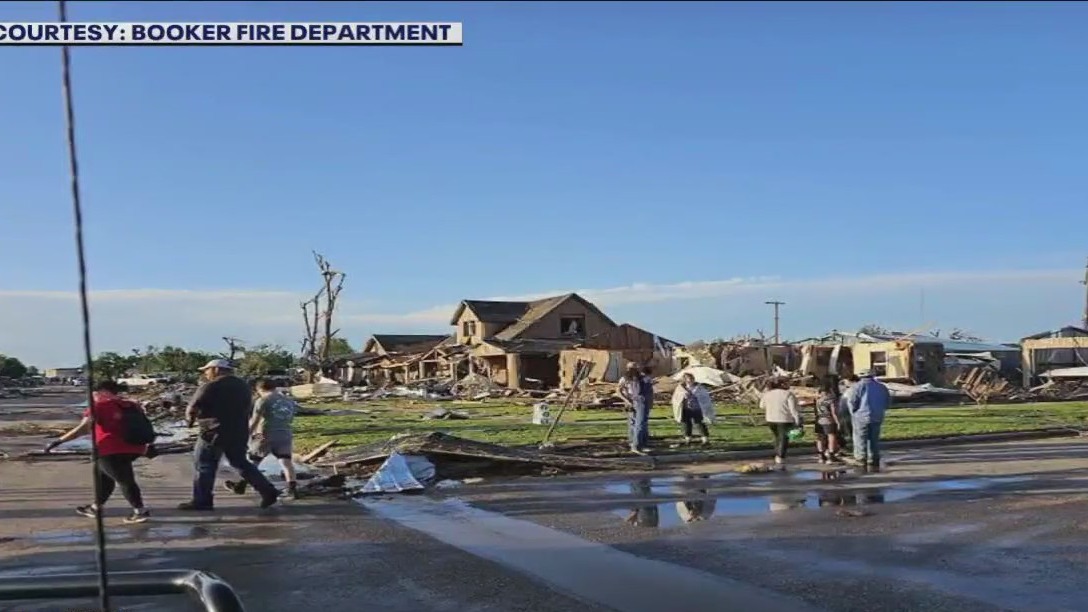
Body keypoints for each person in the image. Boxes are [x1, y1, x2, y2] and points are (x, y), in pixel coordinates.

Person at [45, 380, 151, 524]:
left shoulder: (99, 406)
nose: (93, 397)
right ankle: (95, 508)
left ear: (102, 392)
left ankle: (140, 511)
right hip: (134, 448)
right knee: (104, 478)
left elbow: (84, 428)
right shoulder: (132, 405)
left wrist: (59, 441)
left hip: (108, 449)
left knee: (124, 480)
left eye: (94, 394)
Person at [181, 359, 280, 511]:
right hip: (238, 431)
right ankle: (268, 490)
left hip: (213, 431)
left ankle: (202, 501)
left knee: (205, 465)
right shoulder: (243, 386)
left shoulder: (210, 385)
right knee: (240, 462)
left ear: (216, 369)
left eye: (207, 370)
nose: (205, 373)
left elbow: (192, 407)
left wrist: (189, 422)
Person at [225, 378, 300, 499]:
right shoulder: (288, 401)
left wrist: (247, 434)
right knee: (286, 462)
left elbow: (255, 420)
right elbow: (290, 418)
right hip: (285, 434)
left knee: (253, 461)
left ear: (259, 389)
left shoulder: (263, 400)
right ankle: (292, 489)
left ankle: (241, 485)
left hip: (266, 434)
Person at [846, 369, 891, 472]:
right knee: (874, 438)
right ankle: (873, 457)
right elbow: (888, 402)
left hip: (861, 416)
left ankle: (861, 458)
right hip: (877, 416)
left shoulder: (857, 387)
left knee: (860, 438)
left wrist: (853, 412)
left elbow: (852, 401)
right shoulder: (882, 387)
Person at [759, 377, 801, 468]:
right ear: (782, 384)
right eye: (787, 383)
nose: (789, 385)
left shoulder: (767, 394)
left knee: (777, 437)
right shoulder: (788, 394)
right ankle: (780, 456)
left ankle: (777, 454)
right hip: (784, 419)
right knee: (784, 438)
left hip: (770, 419)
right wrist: (797, 420)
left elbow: (761, 406)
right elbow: (793, 409)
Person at [670, 372, 714, 445]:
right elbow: (676, 398)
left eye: (691, 378)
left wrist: (695, 396)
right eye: (687, 379)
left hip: (697, 408)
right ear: (684, 379)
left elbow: (704, 397)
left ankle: (705, 439)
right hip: (686, 408)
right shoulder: (680, 388)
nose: (689, 380)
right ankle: (687, 439)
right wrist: (683, 396)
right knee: (686, 424)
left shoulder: (699, 387)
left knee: (699, 423)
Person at [617, 362, 650, 454]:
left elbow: (649, 390)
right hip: (634, 401)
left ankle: (638, 443)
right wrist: (627, 400)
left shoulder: (643, 377)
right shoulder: (625, 378)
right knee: (637, 423)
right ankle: (636, 445)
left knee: (638, 423)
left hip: (638, 401)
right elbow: (618, 391)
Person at [813, 378, 842, 464]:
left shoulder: (818, 398)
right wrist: (838, 422)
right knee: (831, 436)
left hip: (819, 419)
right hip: (828, 419)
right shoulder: (830, 398)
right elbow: (834, 412)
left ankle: (821, 455)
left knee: (820, 437)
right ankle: (831, 455)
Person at [837, 375, 858, 453]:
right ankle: (847, 445)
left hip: (846, 408)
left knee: (847, 428)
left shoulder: (852, 389)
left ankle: (848, 446)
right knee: (847, 428)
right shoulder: (851, 389)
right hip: (846, 409)